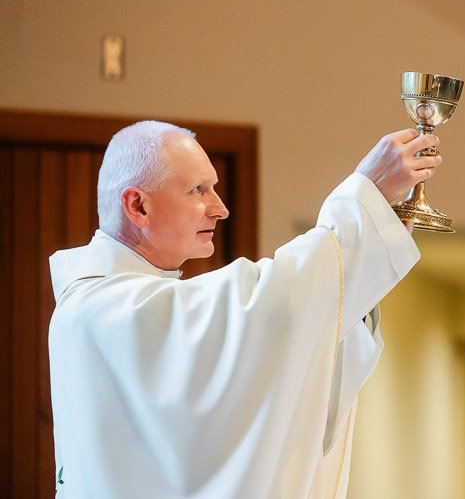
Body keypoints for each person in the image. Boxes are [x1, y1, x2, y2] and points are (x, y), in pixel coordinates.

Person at [48, 120, 440, 498]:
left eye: (214, 188)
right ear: (138, 206)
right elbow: (272, 306)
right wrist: (363, 205)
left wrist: (366, 250)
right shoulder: (106, 310)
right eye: (198, 190)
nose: (219, 208)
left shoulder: (112, 302)